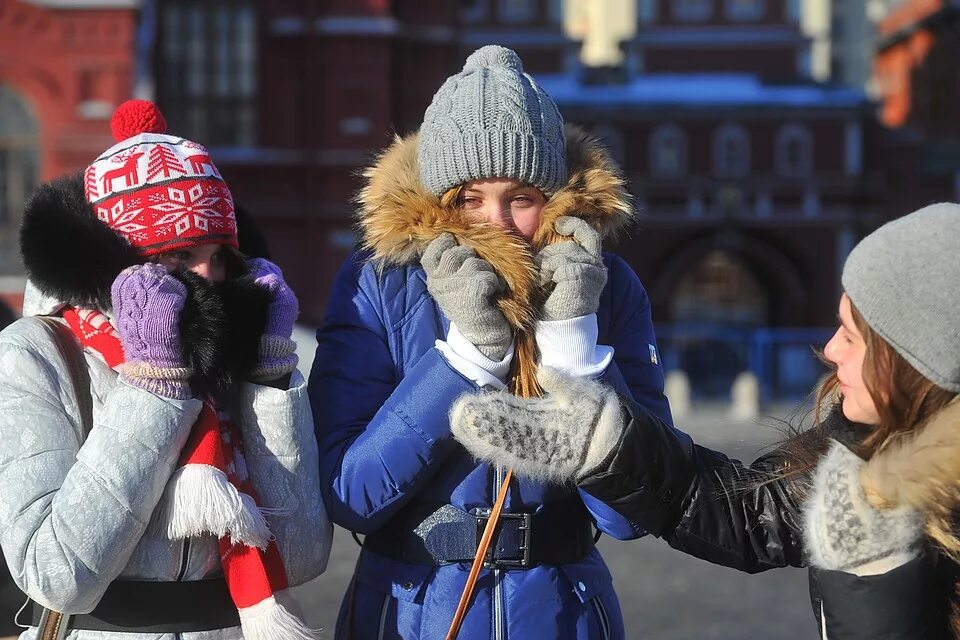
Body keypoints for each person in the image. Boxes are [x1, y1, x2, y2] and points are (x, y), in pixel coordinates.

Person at [451, 202, 960, 639]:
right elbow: (755, 511)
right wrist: (607, 446)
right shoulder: (868, 449)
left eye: (852, 336)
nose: (829, 351)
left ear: (917, 360)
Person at [310, 45, 672, 639]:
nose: (496, 224)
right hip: (411, 610)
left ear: (554, 201)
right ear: (434, 201)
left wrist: (572, 349)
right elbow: (350, 494)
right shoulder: (379, 281)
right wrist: (464, 360)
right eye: (469, 200)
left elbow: (634, 512)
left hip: (563, 614)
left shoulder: (602, 285)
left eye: (520, 199)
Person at [0, 100, 331, 640]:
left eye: (219, 255)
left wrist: (270, 377)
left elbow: (300, 558)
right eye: (179, 255)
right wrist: (154, 386)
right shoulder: (36, 353)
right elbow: (54, 575)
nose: (208, 276)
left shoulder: (233, 350)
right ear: (120, 264)